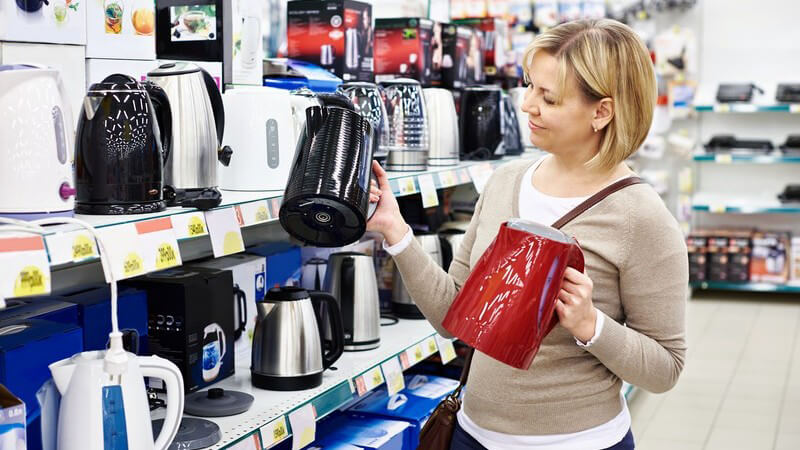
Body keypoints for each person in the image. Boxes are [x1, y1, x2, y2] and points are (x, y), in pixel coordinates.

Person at [366, 19, 687, 450]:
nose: (527, 106)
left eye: (548, 97)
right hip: (471, 436)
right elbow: (451, 319)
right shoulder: (505, 182)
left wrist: (591, 325)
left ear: (602, 111)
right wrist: (396, 231)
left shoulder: (641, 217)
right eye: (528, 85)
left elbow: (665, 368)